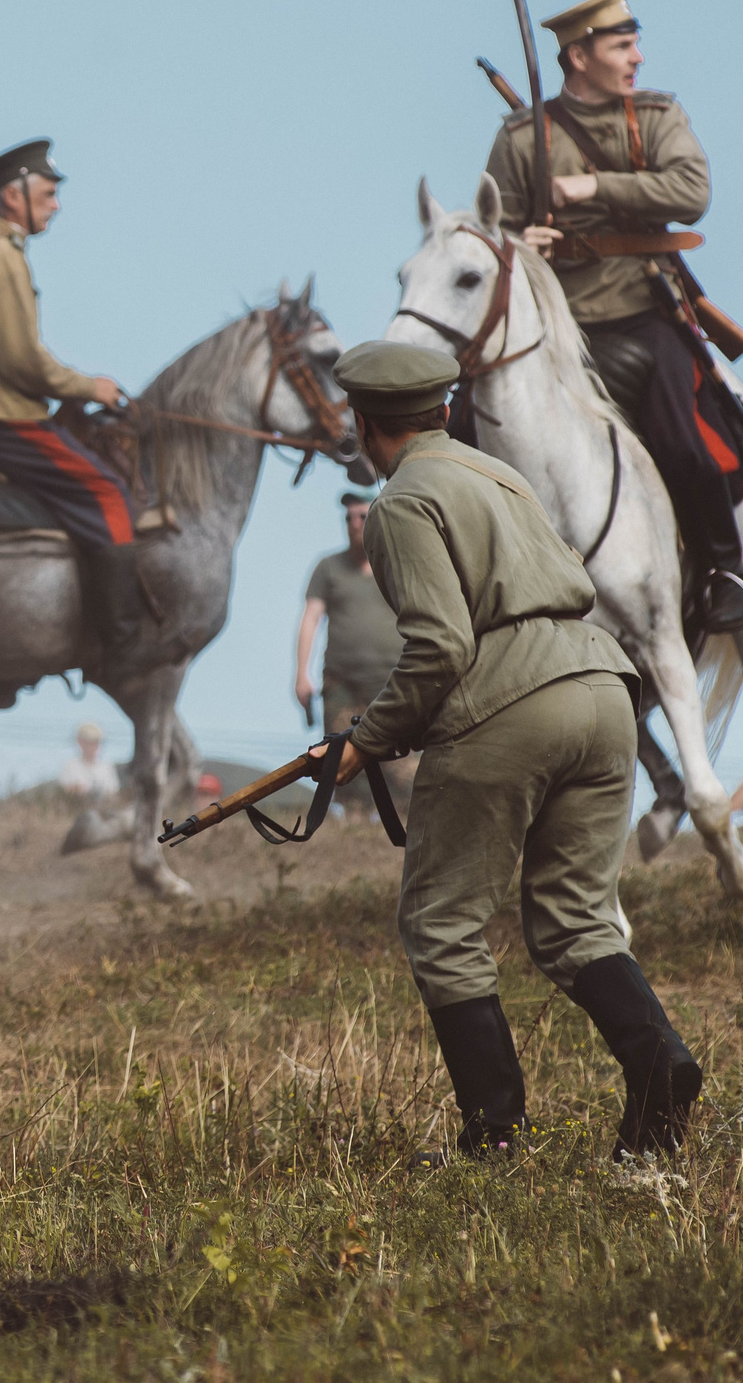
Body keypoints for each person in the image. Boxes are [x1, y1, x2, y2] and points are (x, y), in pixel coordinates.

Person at [316, 340, 702, 1164]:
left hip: (512, 702)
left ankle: (495, 1138)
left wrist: (364, 741)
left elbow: (440, 647)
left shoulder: (401, 501)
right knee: (576, 920)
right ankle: (659, 1063)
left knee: (443, 923)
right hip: (602, 688)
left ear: (362, 425)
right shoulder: (502, 476)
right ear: (445, 412)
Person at [483, 0, 743, 634]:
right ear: (579, 56)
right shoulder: (521, 137)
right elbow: (494, 229)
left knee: (684, 440)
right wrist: (525, 243)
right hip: (556, 328)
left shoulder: (658, 116)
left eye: (634, 42)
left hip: (642, 311)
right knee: (474, 423)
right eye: (623, 44)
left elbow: (692, 191)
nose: (637, 56)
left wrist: (593, 185)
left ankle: (722, 570)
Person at [0, 139, 143, 673]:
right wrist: (92, 389)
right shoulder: (2, 256)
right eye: (48, 192)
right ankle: (123, 644)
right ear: (13, 195)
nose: (56, 204)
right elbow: (22, 362)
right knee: (106, 493)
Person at [295, 490, 412, 815]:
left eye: (362, 517)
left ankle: (397, 839)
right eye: (348, 518)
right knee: (342, 763)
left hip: (393, 685)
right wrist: (301, 674)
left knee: (403, 769)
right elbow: (311, 618)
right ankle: (355, 828)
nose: (354, 524)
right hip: (342, 684)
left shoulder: (396, 567)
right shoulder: (328, 568)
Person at [56, 721, 119, 816]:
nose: (93, 746)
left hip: (102, 817)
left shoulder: (106, 768)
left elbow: (113, 794)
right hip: (76, 815)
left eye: (96, 742)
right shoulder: (71, 766)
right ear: (80, 742)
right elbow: (64, 792)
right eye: (89, 742)